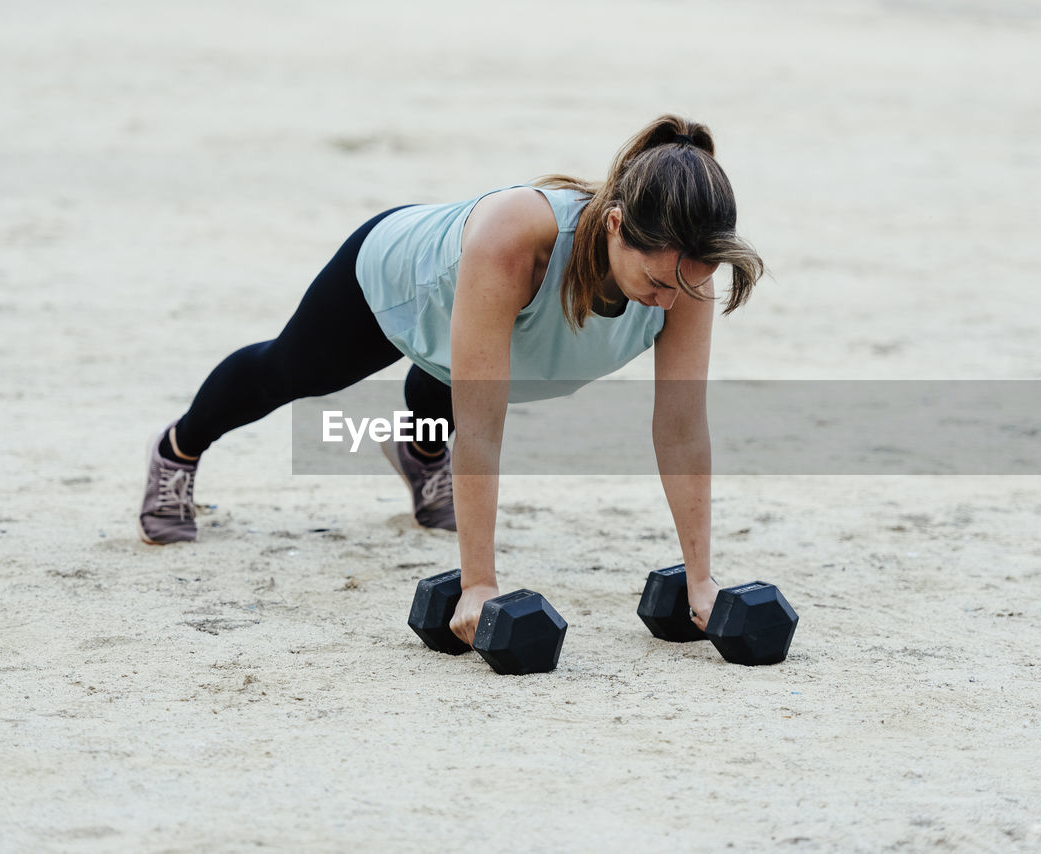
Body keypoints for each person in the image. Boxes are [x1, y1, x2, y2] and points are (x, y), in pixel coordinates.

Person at [137, 114, 764, 644]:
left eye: (685, 286)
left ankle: (419, 452)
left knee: (454, 380)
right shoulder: (518, 239)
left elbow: (681, 429)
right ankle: (178, 449)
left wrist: (701, 578)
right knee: (292, 371)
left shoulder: (687, 275)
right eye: (655, 283)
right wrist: (479, 585)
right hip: (400, 278)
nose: (667, 304)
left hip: (493, 331)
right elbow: (485, 427)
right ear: (615, 225)